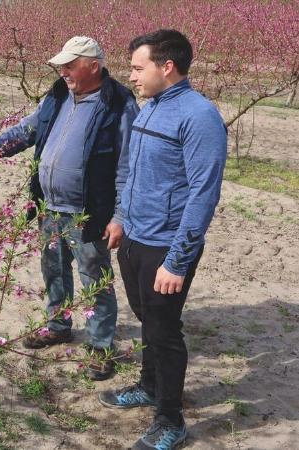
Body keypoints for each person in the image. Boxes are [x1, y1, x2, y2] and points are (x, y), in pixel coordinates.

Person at [97, 29, 227, 450]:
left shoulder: (199, 116)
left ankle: (170, 419)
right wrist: (119, 218)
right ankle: (149, 385)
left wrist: (177, 259)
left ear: (165, 66)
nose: (131, 75)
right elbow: (132, 172)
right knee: (147, 321)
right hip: (134, 237)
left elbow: (202, 195)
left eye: (138, 67)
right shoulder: (150, 109)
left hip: (165, 246)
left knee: (165, 331)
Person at [0, 36, 139, 381]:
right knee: (53, 269)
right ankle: (58, 324)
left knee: (94, 277)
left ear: (93, 66)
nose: (63, 71)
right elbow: (26, 131)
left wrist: (121, 216)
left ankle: (100, 345)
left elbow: (130, 165)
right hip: (49, 207)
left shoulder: (119, 104)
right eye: (61, 66)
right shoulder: (56, 97)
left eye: (70, 65)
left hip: (89, 211)